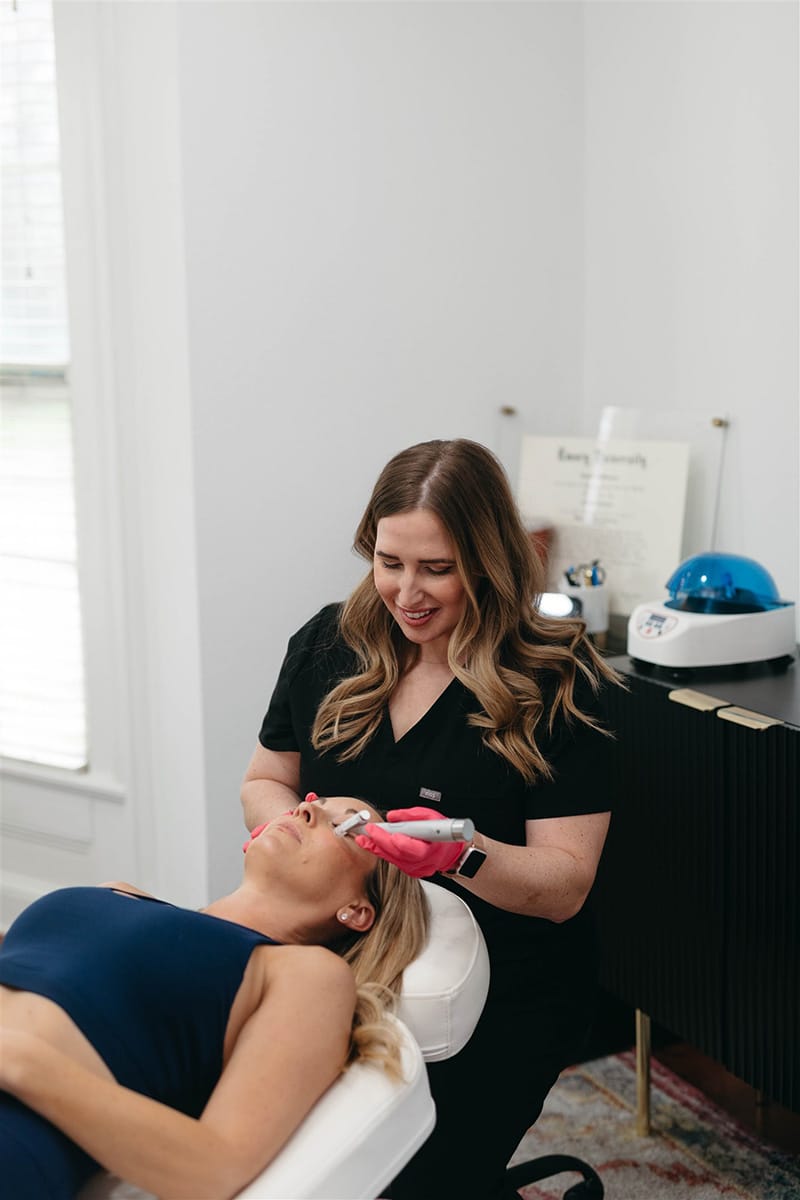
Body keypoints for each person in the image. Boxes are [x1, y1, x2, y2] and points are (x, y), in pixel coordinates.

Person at [242, 437, 622, 1200]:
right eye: (389, 562)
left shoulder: (561, 684)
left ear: (488, 562)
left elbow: (567, 884)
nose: (407, 591)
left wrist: (461, 854)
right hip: (333, 950)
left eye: (437, 569)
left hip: (506, 984)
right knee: (281, 1157)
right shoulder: (327, 645)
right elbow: (265, 780)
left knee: (409, 1179)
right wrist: (297, 833)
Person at [0, 795, 429, 1200]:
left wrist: (19, 1059)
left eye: (348, 826)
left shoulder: (306, 975)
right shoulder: (120, 892)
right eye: (314, 803)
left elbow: (215, 1167)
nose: (306, 810)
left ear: (357, 910)